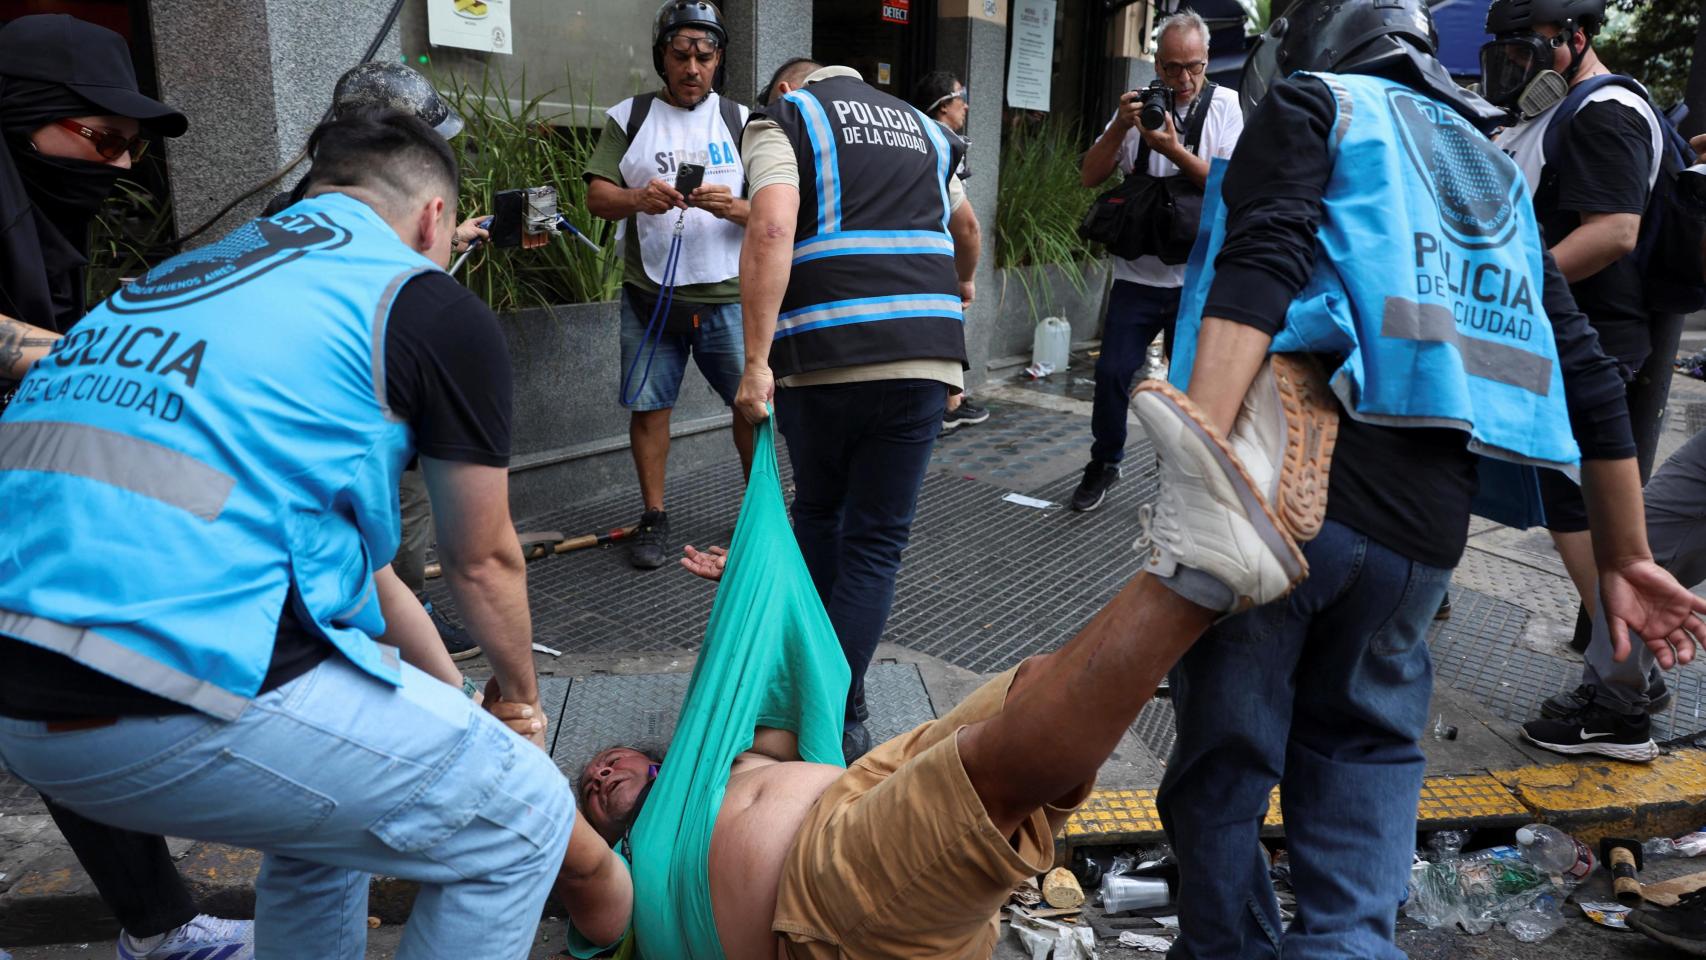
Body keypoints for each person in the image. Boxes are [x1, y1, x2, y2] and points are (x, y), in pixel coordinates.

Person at [1141, 0, 1706, 954]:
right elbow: (1584, 369)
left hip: (1286, 503)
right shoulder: (1489, 168)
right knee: (1364, 756)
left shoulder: (1320, 106)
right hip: (1422, 535)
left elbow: (1260, 264)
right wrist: (1626, 554)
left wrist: (1204, 468)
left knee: (1225, 768)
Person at [0, 110, 630, 958]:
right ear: (434, 219)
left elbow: (373, 578)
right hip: (171, 689)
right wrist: (518, 696)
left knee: (329, 823)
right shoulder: (420, 303)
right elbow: (482, 559)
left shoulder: (189, 280)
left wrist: (454, 699)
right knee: (523, 818)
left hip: (23, 706)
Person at [0, 15, 258, 960]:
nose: (115, 166)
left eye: (130, 150)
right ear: (24, 113)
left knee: (63, 695)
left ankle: (159, 926)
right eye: (101, 138)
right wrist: (118, 362)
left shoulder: (41, 219)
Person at [734, 60, 982, 761]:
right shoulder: (928, 131)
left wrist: (755, 363)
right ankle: (841, 711)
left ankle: (815, 704)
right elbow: (967, 229)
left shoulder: (787, 118)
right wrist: (961, 289)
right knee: (875, 543)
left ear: (788, 89)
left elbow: (771, 228)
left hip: (826, 353)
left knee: (819, 514)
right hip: (925, 356)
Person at [1481, 0, 1678, 755]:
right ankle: (1627, 680)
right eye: (1506, 52)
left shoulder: (1605, 112)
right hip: (1564, 339)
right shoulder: (1562, 111)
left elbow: (1615, 231)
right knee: (1573, 511)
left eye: (1528, 50)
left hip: (1591, 343)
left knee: (1584, 516)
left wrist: (1503, 292)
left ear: (1577, 38)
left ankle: (1624, 695)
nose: (1515, 66)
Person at [262, 60, 489, 663]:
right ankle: (397, 624)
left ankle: (390, 618)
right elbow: (485, 561)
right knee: (400, 507)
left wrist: (450, 236)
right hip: (361, 398)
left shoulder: (298, 207)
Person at [584, 0, 754, 570]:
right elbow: (597, 197)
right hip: (650, 296)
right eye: (681, 55)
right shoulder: (629, 116)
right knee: (650, 408)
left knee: (751, 408)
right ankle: (653, 515)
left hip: (728, 298)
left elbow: (777, 211)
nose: (692, 68)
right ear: (662, 57)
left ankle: (760, 515)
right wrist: (637, 197)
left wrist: (733, 208)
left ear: (719, 59)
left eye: (705, 57)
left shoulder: (742, 121)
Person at [1070, 10, 1244, 513]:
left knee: (1189, 385)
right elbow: (1089, 175)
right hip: (1137, 275)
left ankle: (1185, 475)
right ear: (1156, 64)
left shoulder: (1227, 106)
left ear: (1207, 60)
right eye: (1172, 68)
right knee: (1112, 374)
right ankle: (1105, 461)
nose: (1184, 79)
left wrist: (1172, 149)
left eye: (1194, 66)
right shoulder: (1138, 106)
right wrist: (1119, 129)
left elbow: (1231, 188)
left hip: (1196, 277)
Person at [911, 68, 990, 433]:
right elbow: (967, 225)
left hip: (915, 253)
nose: (966, 106)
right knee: (946, 324)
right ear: (943, 105)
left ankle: (949, 400)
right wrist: (966, 277)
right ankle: (946, 405)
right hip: (937, 254)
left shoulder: (913, 138)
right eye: (962, 97)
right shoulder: (940, 144)